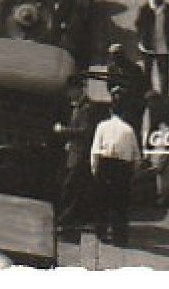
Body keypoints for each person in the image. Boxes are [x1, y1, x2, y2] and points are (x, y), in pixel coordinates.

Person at [90, 104, 141, 245]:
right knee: (120, 204)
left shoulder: (102, 126)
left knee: (102, 201)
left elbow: (95, 149)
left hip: (105, 164)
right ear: (124, 114)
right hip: (122, 167)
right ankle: (120, 237)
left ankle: (101, 233)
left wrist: (95, 168)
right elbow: (136, 155)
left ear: (110, 112)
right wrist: (132, 172)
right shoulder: (129, 130)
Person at [55, 78, 99, 231]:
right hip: (74, 152)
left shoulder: (86, 108)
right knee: (73, 187)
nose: (68, 94)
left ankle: (66, 221)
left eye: (70, 90)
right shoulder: (79, 106)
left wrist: (64, 131)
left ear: (78, 89)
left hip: (80, 154)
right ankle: (70, 219)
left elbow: (85, 131)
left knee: (70, 186)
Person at [135, 0, 169, 98]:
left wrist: (168, 38)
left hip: (163, 47)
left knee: (164, 76)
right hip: (147, 47)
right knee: (147, 75)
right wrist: (142, 38)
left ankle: (164, 99)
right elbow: (138, 24)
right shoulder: (144, 9)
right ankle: (149, 98)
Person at [105, 43, 151, 138]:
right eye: (112, 55)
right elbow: (109, 85)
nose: (114, 58)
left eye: (116, 55)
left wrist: (125, 90)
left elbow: (142, 87)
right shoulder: (112, 69)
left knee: (133, 131)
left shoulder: (134, 69)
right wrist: (114, 90)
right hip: (119, 105)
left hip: (133, 106)